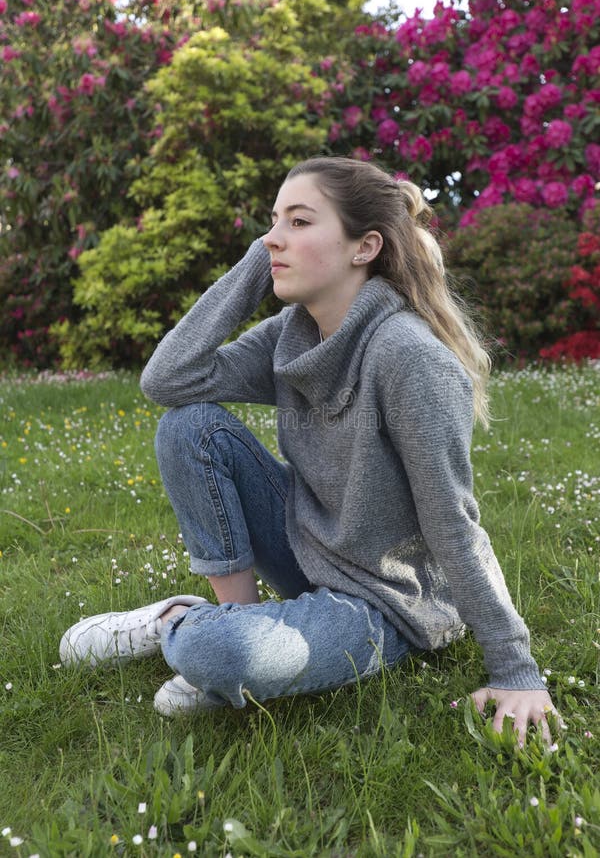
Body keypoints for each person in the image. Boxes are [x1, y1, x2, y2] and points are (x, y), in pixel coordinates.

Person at [60, 156, 557, 743]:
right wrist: (256, 265)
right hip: (307, 545)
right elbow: (167, 382)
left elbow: (453, 521)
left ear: (364, 247)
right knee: (188, 426)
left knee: (214, 651)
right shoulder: (293, 334)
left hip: (384, 603)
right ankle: (231, 621)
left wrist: (515, 668)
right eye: (273, 222)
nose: (274, 238)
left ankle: (184, 625)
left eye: (299, 222)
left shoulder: (408, 357)